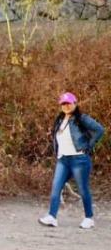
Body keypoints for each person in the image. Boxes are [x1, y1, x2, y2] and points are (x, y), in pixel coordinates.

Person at [39, 92, 104, 230]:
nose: (66, 106)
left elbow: (99, 130)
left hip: (79, 159)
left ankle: (89, 218)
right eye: (63, 103)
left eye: (68, 103)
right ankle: (52, 216)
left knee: (82, 189)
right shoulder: (60, 120)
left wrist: (88, 146)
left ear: (75, 103)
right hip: (63, 159)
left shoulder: (82, 118)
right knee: (56, 188)